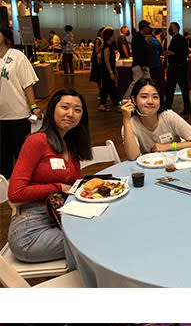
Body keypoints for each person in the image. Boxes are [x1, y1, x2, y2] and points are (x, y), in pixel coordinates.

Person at [7, 88, 92, 267]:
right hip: (29, 233)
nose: (71, 114)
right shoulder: (37, 141)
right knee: (95, 240)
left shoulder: (69, 144)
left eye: (77, 110)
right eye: (65, 107)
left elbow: (74, 184)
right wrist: (58, 186)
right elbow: (15, 193)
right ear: (53, 108)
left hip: (58, 217)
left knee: (101, 230)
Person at [120, 79, 191, 160]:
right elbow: (133, 157)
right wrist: (126, 120)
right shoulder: (129, 125)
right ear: (134, 100)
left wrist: (168, 146)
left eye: (155, 97)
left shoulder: (169, 116)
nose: (150, 101)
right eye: (144, 97)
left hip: (175, 165)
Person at [0, 28, 43, 179]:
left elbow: (27, 85)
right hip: (1, 117)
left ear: (4, 36)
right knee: (3, 160)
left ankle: (24, 190)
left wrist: (33, 106)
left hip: (18, 115)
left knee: (22, 157)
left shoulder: (17, 56)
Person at [163, 22, 191, 114]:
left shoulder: (180, 39)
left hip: (179, 68)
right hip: (174, 67)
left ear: (176, 29)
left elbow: (184, 54)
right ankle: (168, 107)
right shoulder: (174, 39)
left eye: (172, 27)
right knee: (170, 88)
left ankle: (186, 108)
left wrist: (172, 53)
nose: (170, 29)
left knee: (182, 89)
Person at [124, 21, 152, 99]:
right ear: (144, 28)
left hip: (142, 65)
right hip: (139, 65)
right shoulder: (137, 38)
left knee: (146, 82)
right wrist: (143, 65)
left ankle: (143, 98)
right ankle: (125, 99)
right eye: (148, 27)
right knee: (136, 82)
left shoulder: (141, 37)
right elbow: (138, 53)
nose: (149, 29)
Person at [97, 27, 119, 111]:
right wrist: (111, 72)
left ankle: (102, 104)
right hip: (106, 71)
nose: (114, 37)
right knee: (111, 88)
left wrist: (114, 70)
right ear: (110, 37)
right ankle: (117, 105)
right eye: (113, 35)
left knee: (106, 88)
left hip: (108, 70)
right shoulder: (107, 47)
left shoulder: (109, 46)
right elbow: (107, 61)